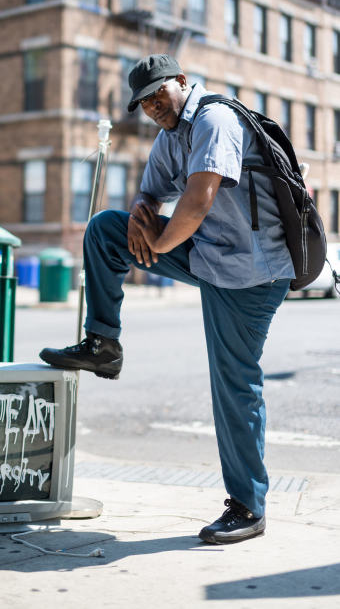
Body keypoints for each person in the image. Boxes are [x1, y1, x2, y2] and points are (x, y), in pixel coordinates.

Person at [40, 54, 295, 544]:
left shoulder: (215, 120)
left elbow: (197, 201)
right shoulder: (168, 137)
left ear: (182, 81)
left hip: (251, 274)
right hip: (210, 257)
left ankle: (248, 506)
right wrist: (140, 212)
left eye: (159, 93)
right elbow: (150, 195)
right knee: (107, 229)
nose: (154, 106)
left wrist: (155, 243)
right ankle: (103, 344)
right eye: (144, 101)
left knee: (234, 383)